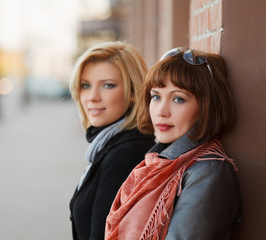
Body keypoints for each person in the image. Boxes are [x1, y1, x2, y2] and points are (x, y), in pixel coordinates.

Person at [105, 48, 242, 240]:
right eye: (156, 96)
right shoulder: (155, 162)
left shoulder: (208, 171)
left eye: (178, 99)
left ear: (206, 107)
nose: (161, 111)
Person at [68, 41, 155, 240]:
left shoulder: (125, 154)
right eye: (85, 86)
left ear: (133, 92)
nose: (92, 97)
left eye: (108, 85)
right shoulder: (110, 146)